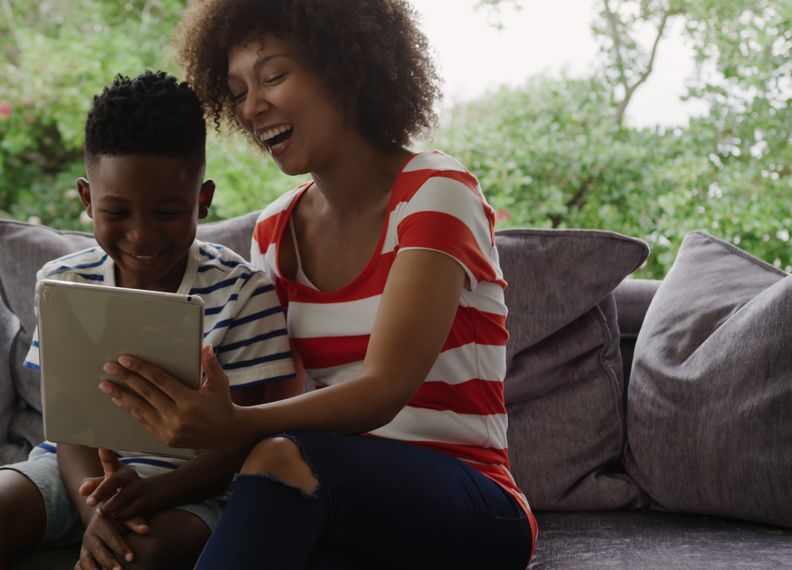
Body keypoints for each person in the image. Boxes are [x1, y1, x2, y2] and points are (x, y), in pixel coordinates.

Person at [94, 1, 538, 568]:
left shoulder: (436, 191)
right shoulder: (276, 230)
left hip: (473, 502)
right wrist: (149, 494)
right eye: (236, 91)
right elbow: (285, 404)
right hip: (333, 500)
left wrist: (236, 422)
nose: (253, 107)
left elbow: (384, 388)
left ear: (344, 68)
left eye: (274, 75)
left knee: (281, 459)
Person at [0, 70, 297, 570]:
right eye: (117, 213)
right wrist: (95, 511)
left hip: (194, 491)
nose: (142, 236)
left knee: (134, 553)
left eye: (168, 212)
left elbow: (241, 443)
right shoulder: (66, 284)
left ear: (203, 200)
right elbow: (68, 430)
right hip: (76, 476)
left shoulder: (244, 293)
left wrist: (152, 494)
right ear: (87, 200)